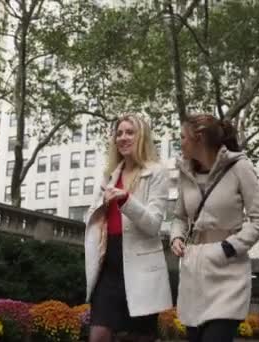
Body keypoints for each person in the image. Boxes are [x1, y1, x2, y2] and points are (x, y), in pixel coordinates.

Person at [170, 114, 259, 342]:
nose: (180, 143)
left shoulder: (240, 167)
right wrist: (176, 238)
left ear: (200, 138)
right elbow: (179, 217)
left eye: (183, 137)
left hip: (228, 273)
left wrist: (228, 248)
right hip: (193, 273)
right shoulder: (185, 173)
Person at [84, 114, 172, 342]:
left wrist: (126, 200)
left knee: (138, 337)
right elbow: (93, 218)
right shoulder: (109, 175)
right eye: (119, 133)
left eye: (129, 132)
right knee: (98, 334)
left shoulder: (157, 172)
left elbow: (153, 224)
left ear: (142, 137)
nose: (123, 138)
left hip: (141, 267)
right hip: (108, 265)